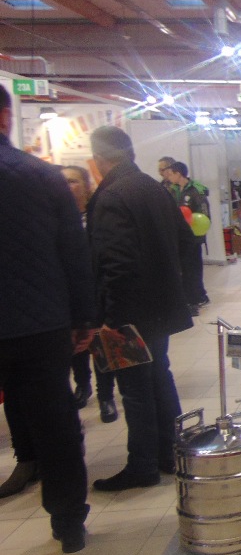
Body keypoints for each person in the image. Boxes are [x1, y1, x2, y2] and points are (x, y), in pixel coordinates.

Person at [0, 84, 94, 551]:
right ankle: (68, 521)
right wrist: (84, 318)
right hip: (42, 323)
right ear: (6, 117)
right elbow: (74, 252)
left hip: (36, 320)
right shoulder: (42, 176)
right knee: (56, 424)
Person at [88, 125, 194, 491]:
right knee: (159, 377)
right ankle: (171, 452)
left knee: (134, 388)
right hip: (160, 306)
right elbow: (186, 241)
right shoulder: (153, 188)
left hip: (131, 311)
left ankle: (143, 464)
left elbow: (115, 263)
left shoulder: (112, 195)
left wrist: (112, 318)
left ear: (98, 159)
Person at [62, 165, 118, 423]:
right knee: (77, 345)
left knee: (100, 343)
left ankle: (105, 395)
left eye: (73, 181)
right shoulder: (56, 218)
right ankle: (82, 385)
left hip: (97, 288)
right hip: (68, 292)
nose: (67, 186)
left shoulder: (97, 215)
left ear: (86, 186)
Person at [166, 161, 210, 314]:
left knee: (193, 268)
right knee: (183, 269)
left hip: (193, 237)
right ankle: (189, 298)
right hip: (178, 236)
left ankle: (196, 299)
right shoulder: (172, 190)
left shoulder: (195, 190)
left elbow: (204, 214)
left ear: (178, 174)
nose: (168, 177)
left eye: (170, 174)